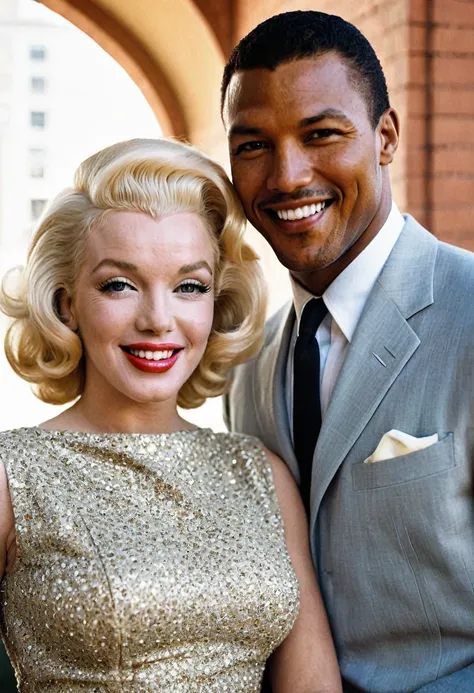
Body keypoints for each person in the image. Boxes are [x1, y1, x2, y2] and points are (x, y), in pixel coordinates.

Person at [0, 138, 342, 693]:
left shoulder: (261, 475)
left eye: (189, 286)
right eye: (119, 284)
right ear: (66, 302)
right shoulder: (12, 475)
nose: (159, 319)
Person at [222, 10, 474, 693]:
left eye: (321, 134)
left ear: (385, 137)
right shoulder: (242, 366)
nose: (287, 174)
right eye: (252, 146)